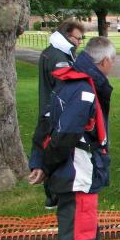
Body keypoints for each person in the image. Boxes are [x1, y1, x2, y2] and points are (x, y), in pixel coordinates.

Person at [28, 37, 119, 240]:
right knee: (76, 238)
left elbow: (45, 120)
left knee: (89, 235)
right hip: (76, 176)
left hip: (83, 175)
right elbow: (62, 134)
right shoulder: (82, 89)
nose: (112, 67)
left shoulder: (74, 81)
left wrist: (40, 160)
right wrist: (47, 165)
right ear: (104, 62)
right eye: (112, 63)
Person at [29, 20, 85, 210]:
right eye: (78, 38)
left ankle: (54, 193)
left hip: (50, 110)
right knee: (56, 150)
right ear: (68, 36)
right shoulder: (58, 57)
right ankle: (54, 195)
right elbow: (64, 85)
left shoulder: (50, 52)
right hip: (55, 113)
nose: (79, 42)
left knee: (51, 148)